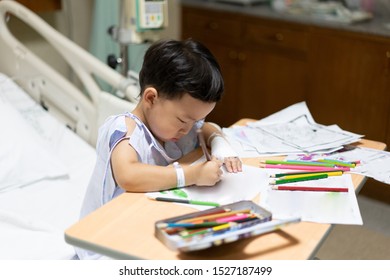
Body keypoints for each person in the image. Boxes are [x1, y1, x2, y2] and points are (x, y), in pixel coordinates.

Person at [76, 39, 241, 259]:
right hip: (108, 240)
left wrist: (220, 144)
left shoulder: (175, 128)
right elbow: (129, 175)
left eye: (196, 120)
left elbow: (206, 129)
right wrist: (192, 174)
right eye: (183, 120)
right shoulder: (125, 129)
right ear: (151, 98)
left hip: (152, 223)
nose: (189, 129)